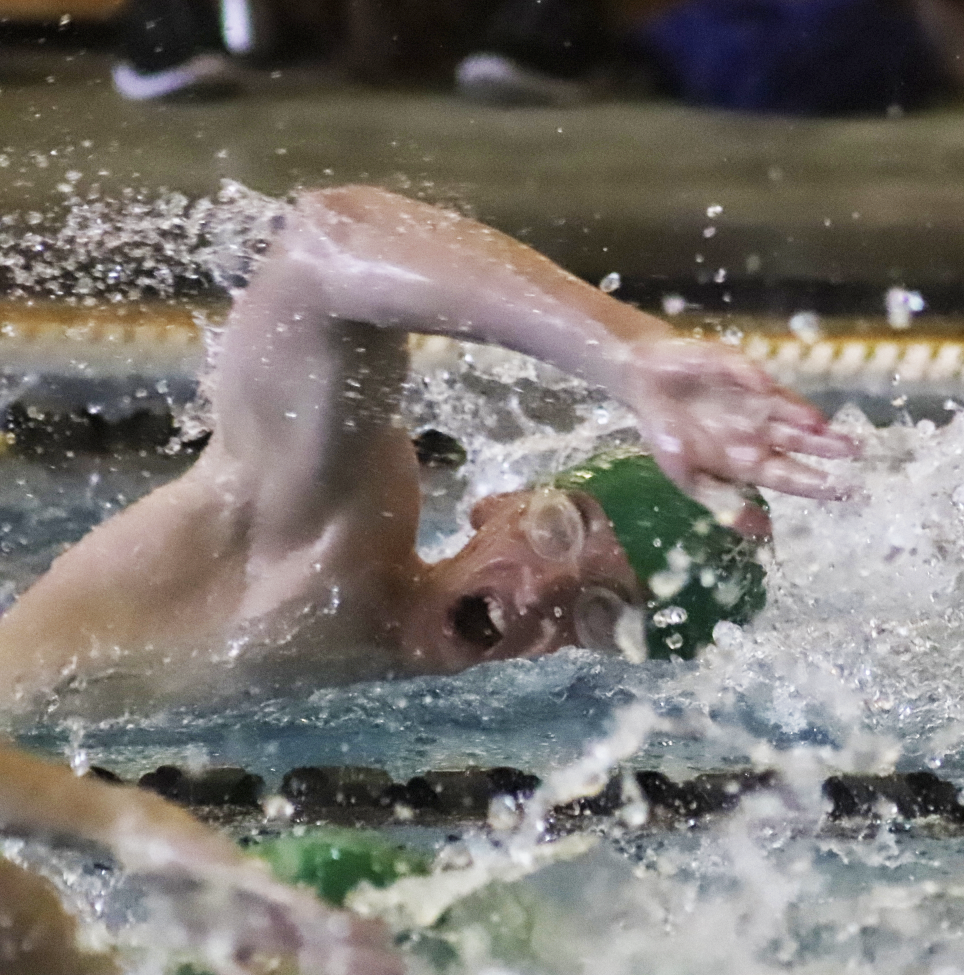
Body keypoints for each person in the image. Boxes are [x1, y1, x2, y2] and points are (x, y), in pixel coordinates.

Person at [0, 185, 856, 721]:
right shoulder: (316, 537)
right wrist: (629, 353)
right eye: (559, 530)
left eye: (603, 614)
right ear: (493, 508)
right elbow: (328, 237)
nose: (545, 590)